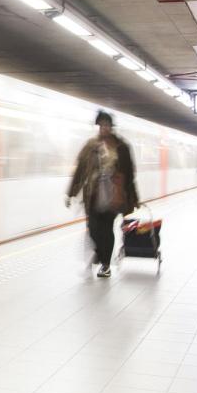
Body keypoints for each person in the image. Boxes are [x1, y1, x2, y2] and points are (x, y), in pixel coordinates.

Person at [66, 110, 138, 277]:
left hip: (113, 197)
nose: (104, 128)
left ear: (111, 127)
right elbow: (80, 170)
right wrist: (71, 193)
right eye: (101, 125)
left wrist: (133, 198)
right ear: (98, 126)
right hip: (93, 196)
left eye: (107, 125)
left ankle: (105, 264)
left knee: (106, 231)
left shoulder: (121, 147)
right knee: (92, 229)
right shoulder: (90, 146)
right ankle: (97, 256)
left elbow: (129, 175)